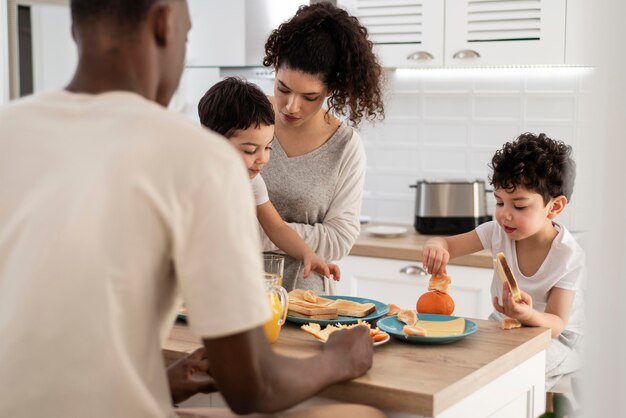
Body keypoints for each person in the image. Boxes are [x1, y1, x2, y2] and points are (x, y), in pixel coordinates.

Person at [0, 1, 386, 417]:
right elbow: (253, 388)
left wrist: (162, 381)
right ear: (165, 24)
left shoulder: (8, 131)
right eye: (187, 35)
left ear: (77, 29)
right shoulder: (202, 159)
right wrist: (341, 359)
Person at [421, 133, 585, 395]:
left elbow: (556, 322)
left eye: (519, 206)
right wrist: (436, 247)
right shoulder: (497, 231)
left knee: (513, 377)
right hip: (505, 323)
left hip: (556, 339)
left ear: (554, 207)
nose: (504, 214)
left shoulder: (568, 256)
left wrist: (529, 315)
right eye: (499, 202)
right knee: (464, 365)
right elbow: (448, 244)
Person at [260, 2, 385, 293]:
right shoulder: (243, 119)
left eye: (310, 96)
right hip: (230, 285)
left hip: (306, 298)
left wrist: (251, 232)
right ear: (275, 66)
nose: (291, 106)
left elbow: (339, 239)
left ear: (332, 89)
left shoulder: (345, 147)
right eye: (283, 89)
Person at [197, 77, 340, 281]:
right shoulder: (190, 179)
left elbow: (277, 227)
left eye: (268, 147)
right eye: (250, 150)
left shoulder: (251, 182)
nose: (263, 159)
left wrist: (308, 254)